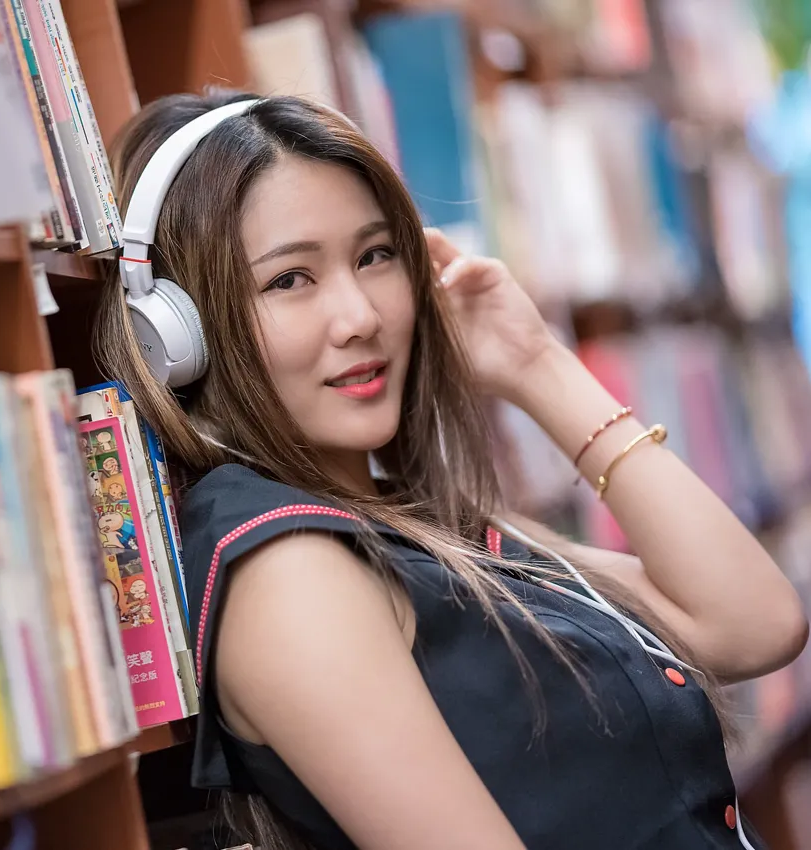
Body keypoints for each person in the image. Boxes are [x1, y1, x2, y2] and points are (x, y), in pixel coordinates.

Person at [93, 92, 810, 850]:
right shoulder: (287, 566)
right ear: (181, 332)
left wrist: (536, 365)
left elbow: (752, 625)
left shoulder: (407, 520)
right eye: (290, 279)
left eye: (375, 256)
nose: (361, 317)